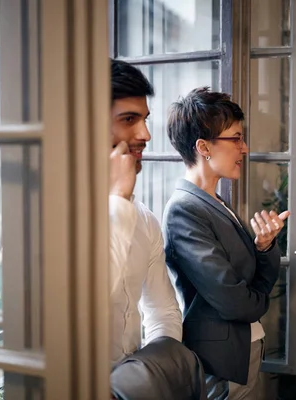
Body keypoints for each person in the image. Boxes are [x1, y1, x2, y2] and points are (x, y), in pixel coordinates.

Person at [162, 87, 290, 400]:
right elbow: (234, 302)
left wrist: (263, 247)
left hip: (244, 350)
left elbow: (251, 284)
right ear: (203, 147)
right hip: (220, 363)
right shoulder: (184, 209)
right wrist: (261, 302)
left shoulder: (216, 201)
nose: (244, 148)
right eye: (235, 138)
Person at [108, 59, 182, 365]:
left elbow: (163, 311)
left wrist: (150, 372)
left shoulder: (145, 219)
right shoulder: (43, 215)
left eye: (145, 119)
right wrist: (119, 199)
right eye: (129, 119)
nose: (146, 134)